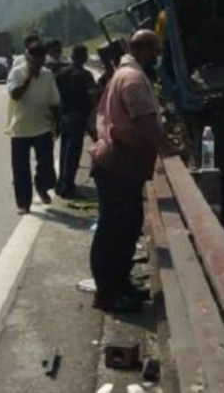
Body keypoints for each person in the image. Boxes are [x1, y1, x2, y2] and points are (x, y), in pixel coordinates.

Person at [88, 30, 166, 313]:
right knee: (114, 230)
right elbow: (145, 121)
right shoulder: (132, 79)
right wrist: (168, 146)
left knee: (128, 226)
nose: (157, 58)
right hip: (118, 165)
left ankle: (121, 284)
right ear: (142, 49)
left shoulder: (125, 74)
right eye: (155, 51)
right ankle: (107, 293)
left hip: (124, 166)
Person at [6, 41, 61, 215]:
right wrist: (28, 78)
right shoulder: (17, 72)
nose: (37, 62)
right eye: (33, 58)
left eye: (41, 58)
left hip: (43, 127)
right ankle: (23, 203)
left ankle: (41, 186)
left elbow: (55, 102)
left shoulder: (48, 75)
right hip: (20, 128)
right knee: (20, 169)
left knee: (46, 166)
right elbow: (15, 95)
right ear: (28, 57)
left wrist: (56, 122)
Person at [54, 45, 96, 199]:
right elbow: (93, 96)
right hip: (78, 116)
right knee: (73, 153)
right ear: (84, 57)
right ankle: (68, 186)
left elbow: (55, 96)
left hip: (64, 115)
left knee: (65, 150)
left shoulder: (61, 73)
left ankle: (61, 184)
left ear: (72, 56)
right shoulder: (86, 75)